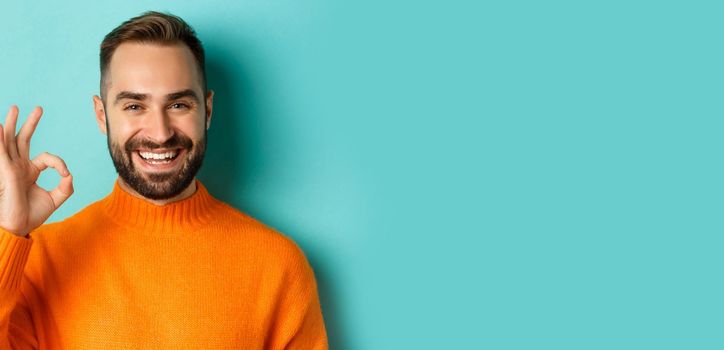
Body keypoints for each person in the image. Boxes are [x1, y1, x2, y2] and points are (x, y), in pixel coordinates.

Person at [0, 11, 328, 349]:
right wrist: (7, 235)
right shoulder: (36, 262)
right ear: (102, 115)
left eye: (179, 104)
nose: (160, 133)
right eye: (134, 107)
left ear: (208, 110)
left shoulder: (278, 266)